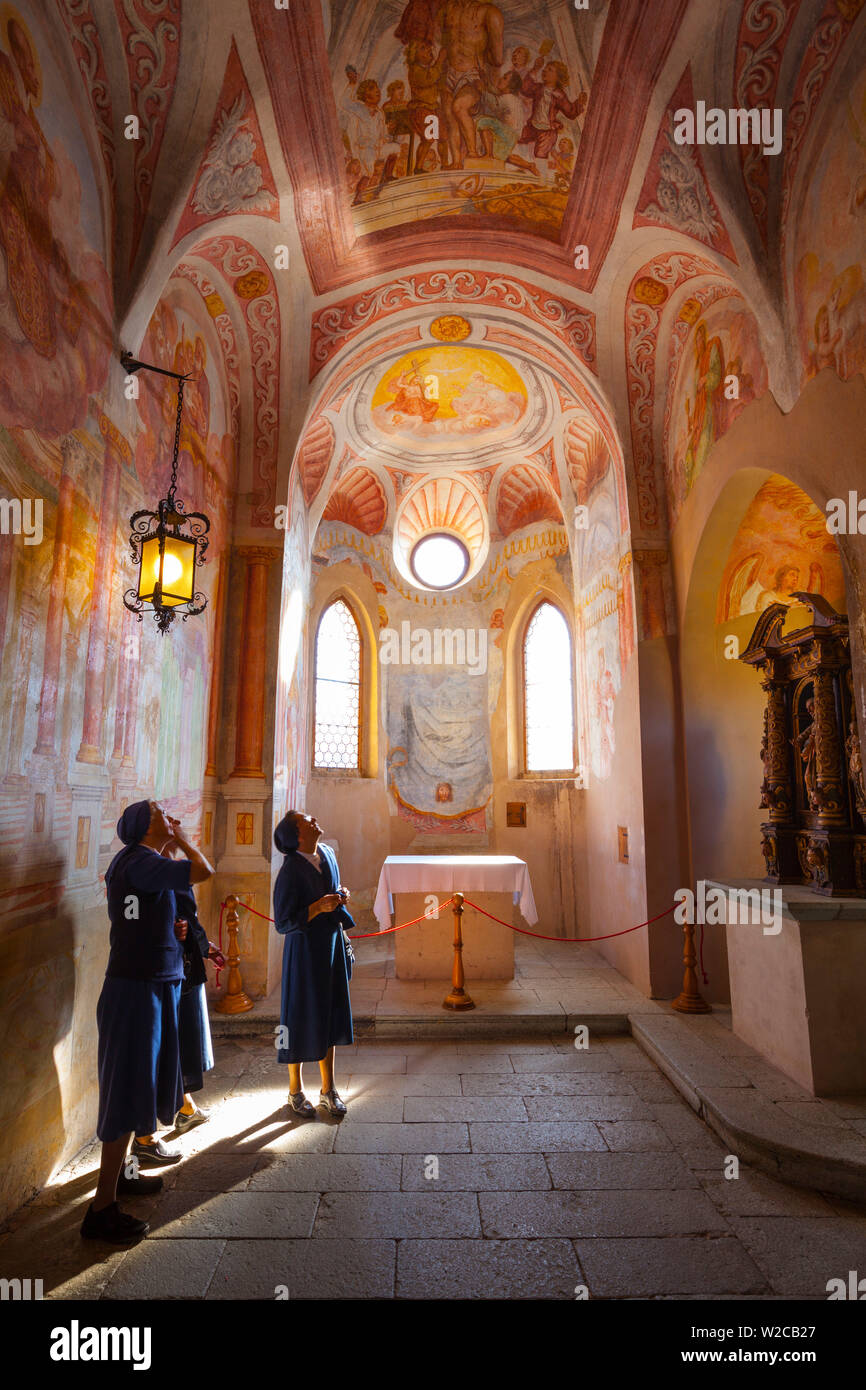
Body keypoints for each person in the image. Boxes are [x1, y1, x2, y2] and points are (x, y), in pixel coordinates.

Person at [79, 800, 214, 1243]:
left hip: (149, 985)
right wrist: (183, 841)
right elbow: (204, 872)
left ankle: (128, 1173)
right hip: (137, 991)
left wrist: (172, 927)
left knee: (140, 1086)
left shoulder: (142, 863)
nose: (167, 813)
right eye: (158, 811)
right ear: (143, 825)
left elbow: (162, 909)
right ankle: (101, 1211)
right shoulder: (140, 860)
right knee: (126, 1091)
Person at [129, 829, 224, 1163]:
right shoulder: (146, 868)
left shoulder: (163, 866)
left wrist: (201, 944)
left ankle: (184, 1107)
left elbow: (185, 916)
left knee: (179, 1041)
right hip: (166, 972)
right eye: (167, 824)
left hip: (179, 964)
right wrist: (171, 931)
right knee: (171, 1043)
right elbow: (134, 919)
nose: (174, 828)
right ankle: (145, 1137)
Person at [273, 811, 354, 1117]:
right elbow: (283, 922)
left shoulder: (328, 853)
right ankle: (295, 1089)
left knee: (330, 1012)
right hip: (304, 950)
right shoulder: (291, 869)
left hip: (331, 944)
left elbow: (334, 887)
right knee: (298, 1015)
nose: (314, 819)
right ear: (297, 836)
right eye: (307, 820)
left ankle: (328, 1089)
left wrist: (340, 896)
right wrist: (318, 907)